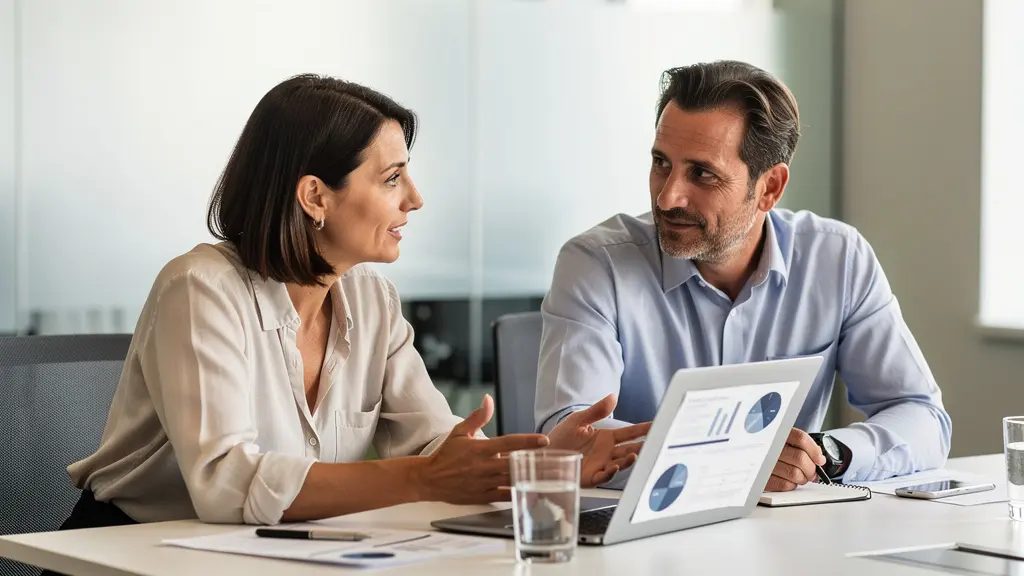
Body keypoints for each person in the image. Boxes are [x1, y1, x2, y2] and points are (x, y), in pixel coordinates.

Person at [62, 75, 649, 529]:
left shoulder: (371, 299)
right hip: (128, 553)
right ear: (315, 196)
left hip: (262, 554)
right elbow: (225, 483)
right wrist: (422, 478)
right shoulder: (200, 289)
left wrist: (543, 460)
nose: (415, 200)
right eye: (393, 178)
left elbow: (432, 444)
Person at [535, 60, 951, 491]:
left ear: (769, 188)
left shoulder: (837, 257)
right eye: (662, 162)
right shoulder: (595, 263)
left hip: (784, 536)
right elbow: (573, 439)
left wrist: (823, 454)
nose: (668, 195)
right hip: (640, 537)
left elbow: (922, 417)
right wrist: (735, 460)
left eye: (702, 173)